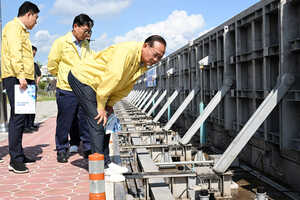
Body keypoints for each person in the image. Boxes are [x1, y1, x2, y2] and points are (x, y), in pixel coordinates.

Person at [68, 35, 166, 178]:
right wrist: (101, 105)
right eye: (155, 55)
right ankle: (100, 169)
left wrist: (110, 104)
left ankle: (106, 162)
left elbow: (125, 86)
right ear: (146, 46)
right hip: (83, 79)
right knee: (97, 120)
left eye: (160, 58)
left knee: (106, 120)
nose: (156, 60)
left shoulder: (142, 64)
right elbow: (112, 78)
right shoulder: (127, 52)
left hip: (98, 85)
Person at [47, 14, 93, 163]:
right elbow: (52, 65)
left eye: (89, 31)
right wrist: (63, 76)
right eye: (85, 30)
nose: (87, 34)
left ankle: (87, 148)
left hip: (83, 88)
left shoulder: (86, 44)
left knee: (84, 120)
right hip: (66, 89)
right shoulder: (61, 42)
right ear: (75, 26)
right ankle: (61, 149)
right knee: (64, 121)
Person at [1, 1, 39, 173]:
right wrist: (21, 76)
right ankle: (14, 160)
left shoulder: (23, 30)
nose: (36, 22)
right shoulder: (13, 27)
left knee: (22, 118)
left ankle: (19, 153)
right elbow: (15, 53)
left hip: (25, 77)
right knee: (17, 118)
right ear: (29, 14)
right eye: (36, 18)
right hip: (17, 77)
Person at [24, 45, 41, 133]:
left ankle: (31, 124)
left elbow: (39, 74)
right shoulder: (23, 63)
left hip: (32, 85)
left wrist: (36, 82)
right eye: (32, 53)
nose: (33, 55)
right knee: (25, 106)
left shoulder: (34, 65)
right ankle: (25, 125)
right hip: (25, 86)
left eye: (34, 54)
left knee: (32, 107)